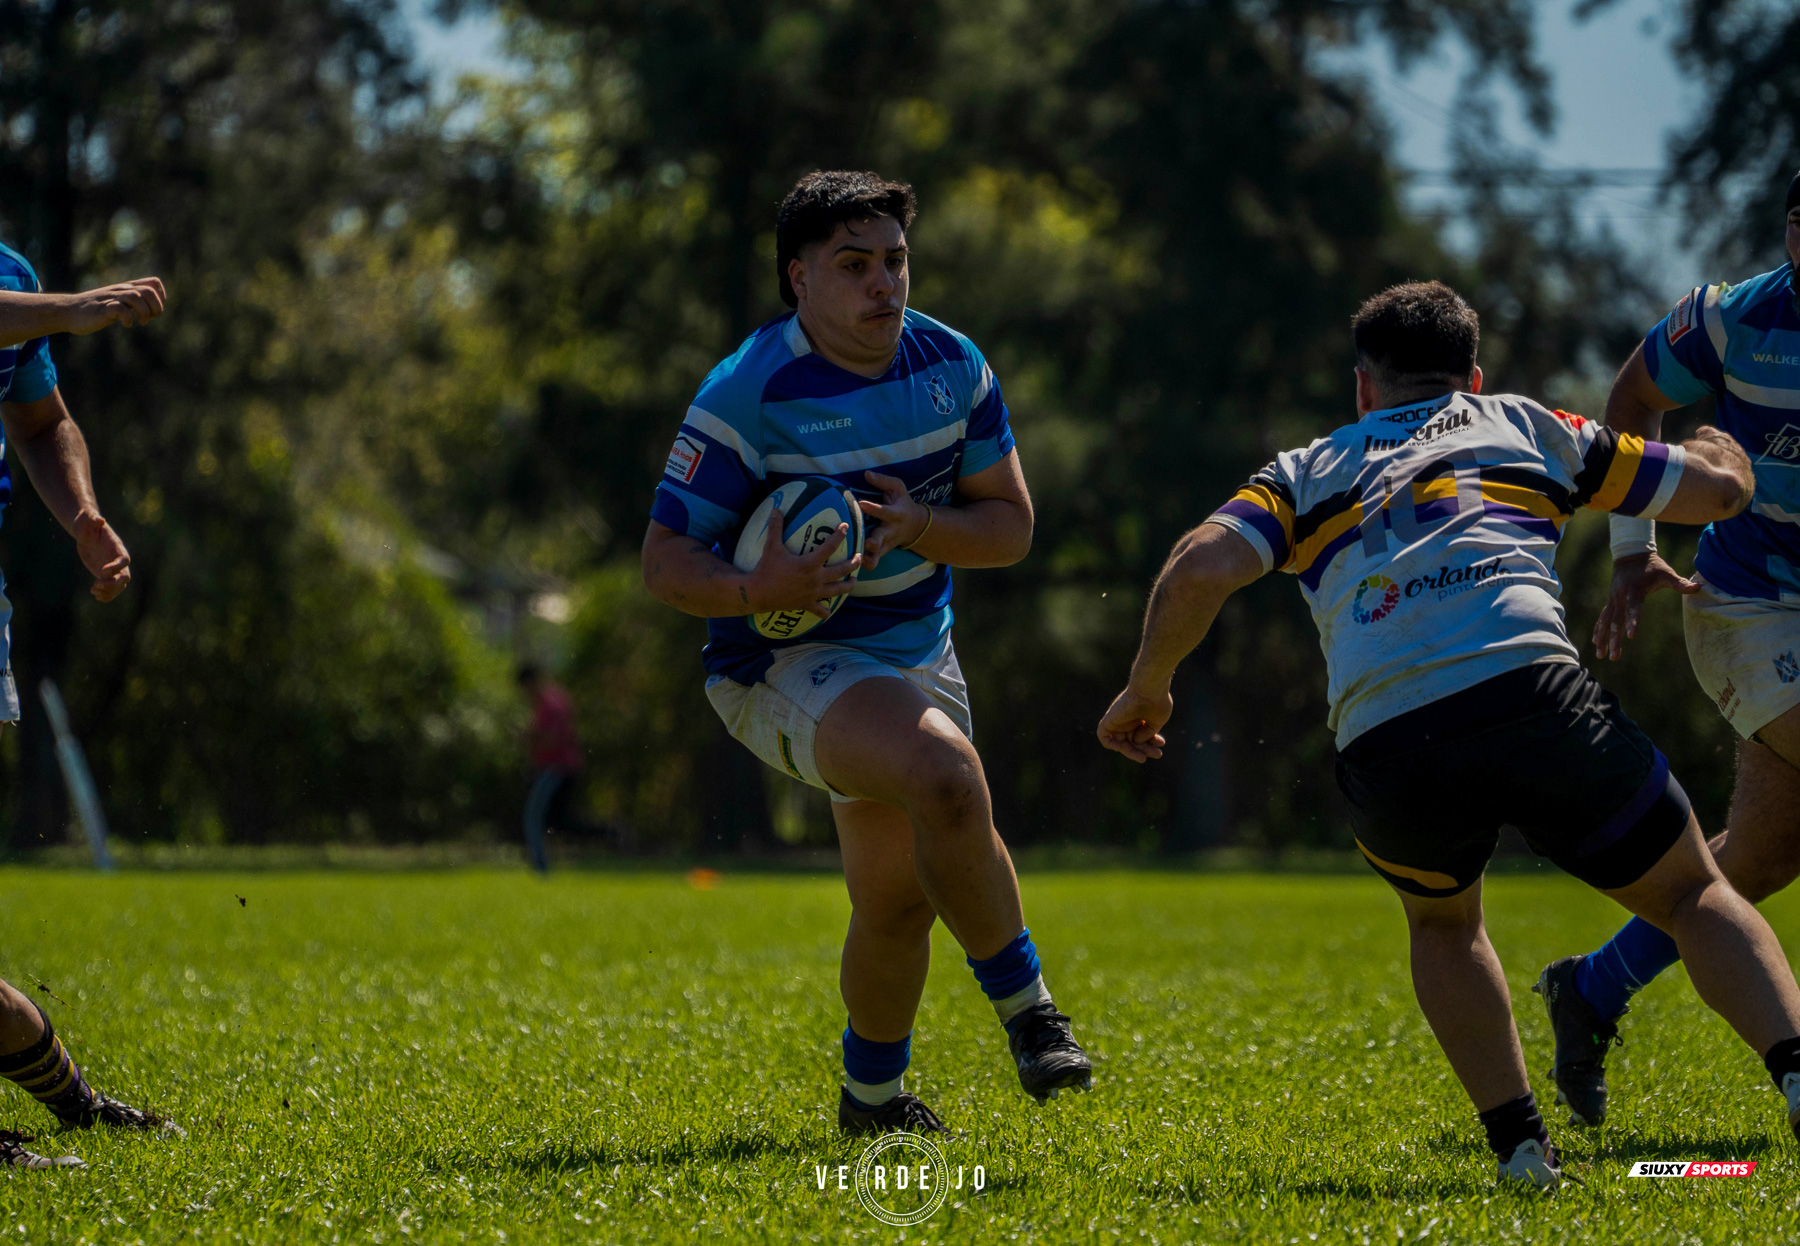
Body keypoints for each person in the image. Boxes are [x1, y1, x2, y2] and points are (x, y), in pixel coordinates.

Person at [1097, 280, 1800, 1191]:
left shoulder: (1302, 470)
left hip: (1387, 738)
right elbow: (1712, 495)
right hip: (1533, 695)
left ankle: (1520, 1149)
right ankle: (1794, 1071)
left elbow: (1200, 564)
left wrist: (1146, 688)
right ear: (1471, 375)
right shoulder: (1521, 423)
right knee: (1693, 895)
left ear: (1363, 388)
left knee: (1443, 920)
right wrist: (1720, 450)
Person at [641, 170, 1092, 1134]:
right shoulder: (749, 392)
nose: (884, 284)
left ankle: (872, 1105)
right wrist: (755, 589)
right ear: (797, 277)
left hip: (916, 649)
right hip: (776, 664)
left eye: (894, 261)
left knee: (895, 902)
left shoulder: (952, 363)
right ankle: (1031, 1013)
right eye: (854, 266)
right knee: (946, 774)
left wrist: (922, 520)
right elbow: (665, 563)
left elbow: (1009, 527)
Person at [1536, 170, 1800, 1127]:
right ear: (1790, 231)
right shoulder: (1730, 322)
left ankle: (1592, 990)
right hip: (1749, 600)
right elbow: (1634, 398)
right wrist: (1635, 548)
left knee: (1760, 862)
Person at [0, 246, 177, 1168]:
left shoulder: (11, 273)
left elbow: (40, 425)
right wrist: (72, 307)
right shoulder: (34, 295)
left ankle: (77, 1106)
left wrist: (80, 512)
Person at [517, 662, 592, 873]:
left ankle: (540, 867)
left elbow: (553, 740)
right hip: (557, 767)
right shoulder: (553, 699)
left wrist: (527, 738)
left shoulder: (550, 704)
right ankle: (613, 834)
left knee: (534, 815)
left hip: (556, 768)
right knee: (561, 820)